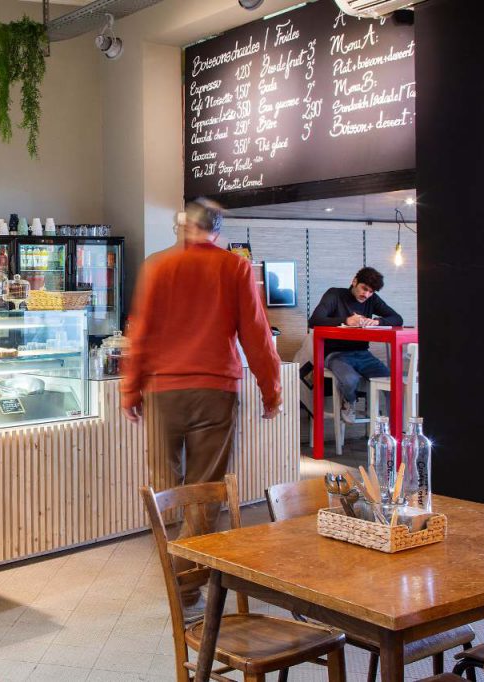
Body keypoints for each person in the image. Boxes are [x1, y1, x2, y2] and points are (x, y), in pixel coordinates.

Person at [122, 198, 281, 620]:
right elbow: (256, 334)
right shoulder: (234, 267)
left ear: (183, 227)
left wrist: (130, 390)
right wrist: (271, 392)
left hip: (162, 392)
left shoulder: (158, 267)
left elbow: (141, 333)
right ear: (217, 230)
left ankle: (177, 568)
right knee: (205, 488)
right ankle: (188, 581)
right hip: (214, 390)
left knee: (164, 484)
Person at [308, 267, 403, 423]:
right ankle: (349, 403)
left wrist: (378, 321)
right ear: (354, 281)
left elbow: (397, 318)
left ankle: (395, 427)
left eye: (371, 292)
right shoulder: (335, 294)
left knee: (393, 381)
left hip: (363, 354)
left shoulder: (372, 299)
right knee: (351, 379)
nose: (366, 295)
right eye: (364, 288)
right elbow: (314, 321)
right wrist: (345, 320)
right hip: (335, 354)